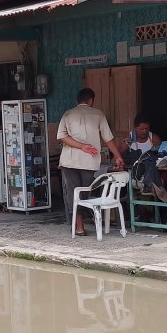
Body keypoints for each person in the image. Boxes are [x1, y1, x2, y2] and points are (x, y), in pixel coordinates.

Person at [57, 88, 125, 237]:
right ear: (91, 100)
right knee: (85, 192)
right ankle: (86, 221)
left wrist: (80, 146)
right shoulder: (98, 114)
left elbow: (61, 137)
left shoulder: (68, 114)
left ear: (77, 100)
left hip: (69, 161)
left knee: (72, 193)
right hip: (88, 161)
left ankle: (79, 227)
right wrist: (118, 156)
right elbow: (108, 138)